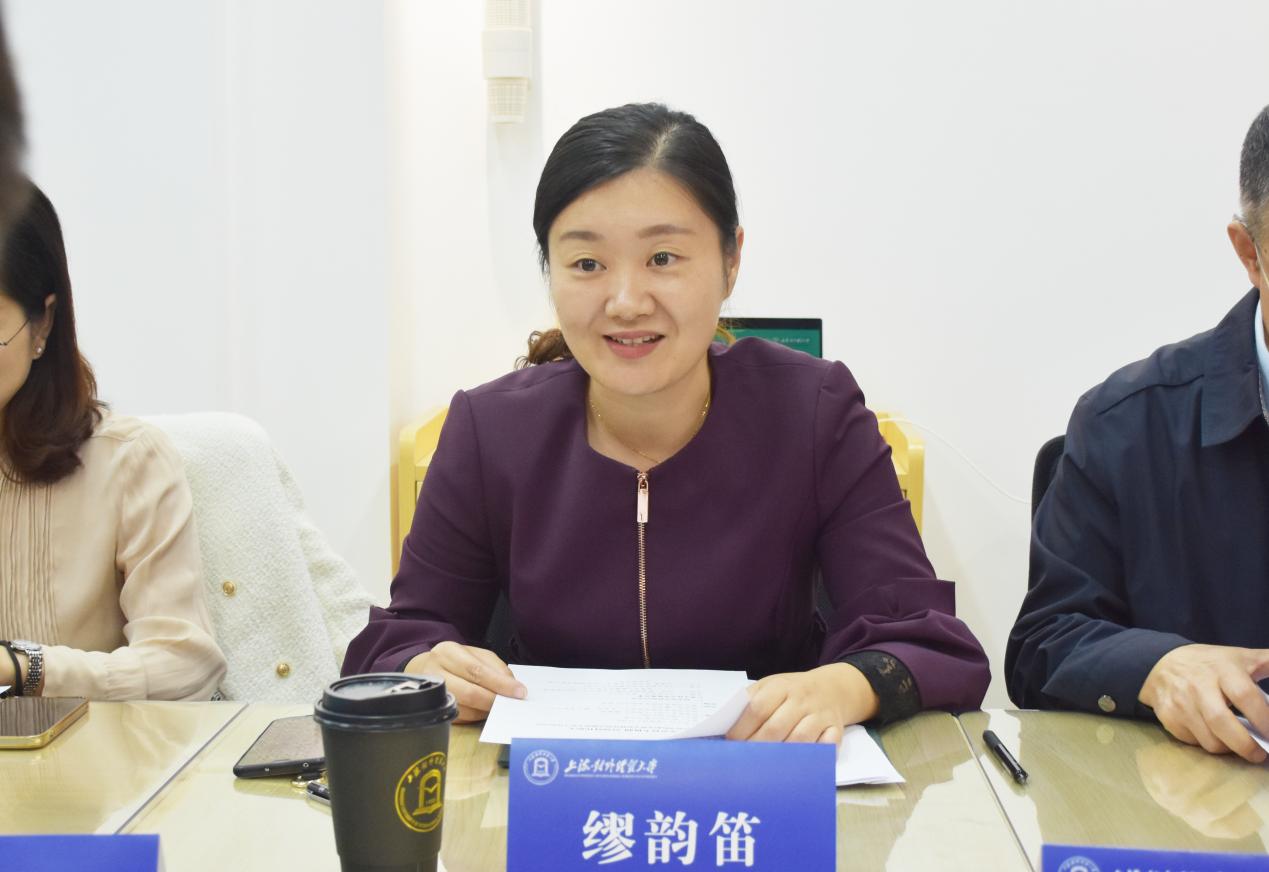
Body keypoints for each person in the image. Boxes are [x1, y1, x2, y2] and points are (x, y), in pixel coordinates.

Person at [345, 103, 989, 743]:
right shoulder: (490, 430)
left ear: (731, 260)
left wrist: (842, 686)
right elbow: (399, 640)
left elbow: (928, 642)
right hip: (552, 785)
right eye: (587, 264)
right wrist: (426, 667)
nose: (626, 302)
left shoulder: (815, 411)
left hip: (758, 778)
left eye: (662, 258)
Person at [1006, 104, 1269, 763]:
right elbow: (1042, 646)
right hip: (1200, 802)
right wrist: (1157, 666)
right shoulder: (1126, 426)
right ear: (1250, 253)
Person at [0, 182, 226, 700]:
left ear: (43, 322)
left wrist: (24, 668)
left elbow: (185, 667)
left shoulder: (127, 460)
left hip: (93, 752)